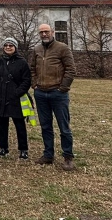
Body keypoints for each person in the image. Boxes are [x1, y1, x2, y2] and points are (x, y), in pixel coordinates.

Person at [30, 23, 76, 170]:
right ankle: (48, 155)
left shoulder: (62, 48)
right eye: (41, 32)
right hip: (41, 93)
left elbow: (71, 69)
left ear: (52, 32)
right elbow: (32, 69)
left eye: (46, 32)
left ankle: (68, 157)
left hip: (58, 94)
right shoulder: (37, 49)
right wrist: (34, 84)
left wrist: (63, 88)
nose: (44, 34)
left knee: (64, 127)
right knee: (45, 126)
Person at [0, 37, 32, 159]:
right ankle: (3, 148)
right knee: (2, 124)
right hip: (1, 96)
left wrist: (17, 92)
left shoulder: (22, 62)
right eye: (6, 45)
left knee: (19, 125)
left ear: (15, 47)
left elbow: (26, 80)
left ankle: (23, 149)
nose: (8, 47)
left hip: (15, 98)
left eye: (11, 45)